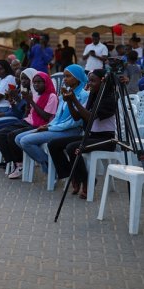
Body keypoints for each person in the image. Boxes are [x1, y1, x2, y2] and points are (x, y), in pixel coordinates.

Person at [47, 69, 116, 199]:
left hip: (106, 139)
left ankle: (86, 181)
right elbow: (77, 117)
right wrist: (69, 101)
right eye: (89, 80)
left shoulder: (109, 99)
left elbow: (90, 118)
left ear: (103, 83)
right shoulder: (93, 95)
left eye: (93, 81)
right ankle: (74, 175)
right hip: (91, 136)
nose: (89, 83)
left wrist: (75, 100)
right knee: (53, 144)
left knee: (72, 147)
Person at [14, 64, 89, 177]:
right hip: (56, 128)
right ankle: (50, 165)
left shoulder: (84, 95)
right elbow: (58, 117)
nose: (65, 79)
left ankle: (51, 166)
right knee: (18, 138)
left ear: (77, 77)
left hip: (71, 131)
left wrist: (50, 127)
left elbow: (76, 122)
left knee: (25, 141)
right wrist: (49, 125)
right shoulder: (65, 93)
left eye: (68, 76)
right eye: (64, 76)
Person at [0, 71, 58, 177]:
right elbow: (27, 113)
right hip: (28, 121)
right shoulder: (36, 94)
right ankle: (14, 162)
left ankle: (20, 164)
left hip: (40, 125)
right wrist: (23, 102)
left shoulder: (52, 96)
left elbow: (46, 117)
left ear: (46, 83)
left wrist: (31, 101)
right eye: (35, 82)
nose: (36, 84)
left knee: (12, 135)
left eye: (39, 82)